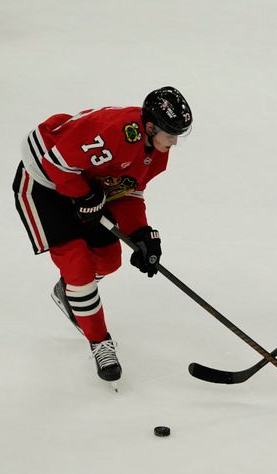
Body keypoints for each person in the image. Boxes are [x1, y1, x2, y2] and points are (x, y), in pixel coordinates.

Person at [12, 86, 193, 383]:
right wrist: (84, 196)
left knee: (109, 260)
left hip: (86, 184)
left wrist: (142, 234)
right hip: (44, 183)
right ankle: (99, 342)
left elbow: (127, 190)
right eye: (170, 134)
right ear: (149, 127)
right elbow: (55, 164)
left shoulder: (157, 153)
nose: (174, 143)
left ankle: (70, 293)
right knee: (78, 266)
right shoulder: (114, 132)